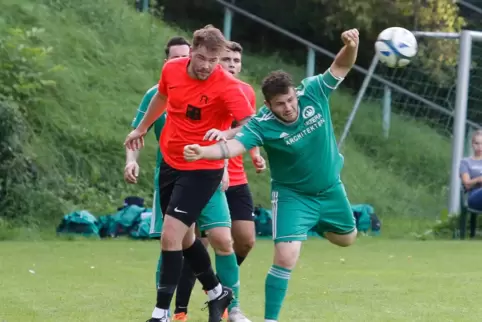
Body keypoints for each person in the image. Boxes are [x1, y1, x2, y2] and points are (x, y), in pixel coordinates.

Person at [183, 28, 360, 322]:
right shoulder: (262, 124)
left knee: (348, 238)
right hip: (293, 196)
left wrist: (351, 46)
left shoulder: (313, 92)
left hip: (330, 188)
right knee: (285, 257)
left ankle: (314, 224)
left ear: (295, 93)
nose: (289, 108)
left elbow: (341, 65)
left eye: (291, 100)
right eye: (280, 104)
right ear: (268, 105)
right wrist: (204, 152)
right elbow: (234, 146)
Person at [124, 25, 255, 322]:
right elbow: (161, 97)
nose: (207, 66)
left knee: (171, 236)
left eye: (214, 60)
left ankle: (161, 314)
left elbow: (252, 125)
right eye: (203, 58)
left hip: (203, 168)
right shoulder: (171, 70)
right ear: (192, 52)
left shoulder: (228, 87)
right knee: (184, 238)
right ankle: (216, 291)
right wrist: (142, 128)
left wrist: (227, 132)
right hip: (171, 162)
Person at [172, 41, 264, 322]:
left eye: (236, 59)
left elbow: (247, 127)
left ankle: (218, 288)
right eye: (226, 58)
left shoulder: (244, 91)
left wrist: (256, 153)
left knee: (245, 241)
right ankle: (213, 305)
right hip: (208, 174)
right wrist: (219, 165)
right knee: (203, 242)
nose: (231, 64)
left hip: (235, 178)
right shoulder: (203, 88)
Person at [124, 36, 192, 319]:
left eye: (184, 57)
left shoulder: (205, 91)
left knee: (212, 242)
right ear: (166, 63)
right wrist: (131, 162)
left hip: (204, 177)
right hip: (168, 179)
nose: (180, 62)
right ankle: (163, 309)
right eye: (175, 57)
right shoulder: (156, 94)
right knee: (171, 241)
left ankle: (217, 303)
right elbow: (136, 134)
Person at [460, 130, 482, 211]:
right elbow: (467, 184)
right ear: (472, 144)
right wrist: (478, 179)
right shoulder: (465, 162)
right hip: (474, 196)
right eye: (477, 143)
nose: (480, 146)